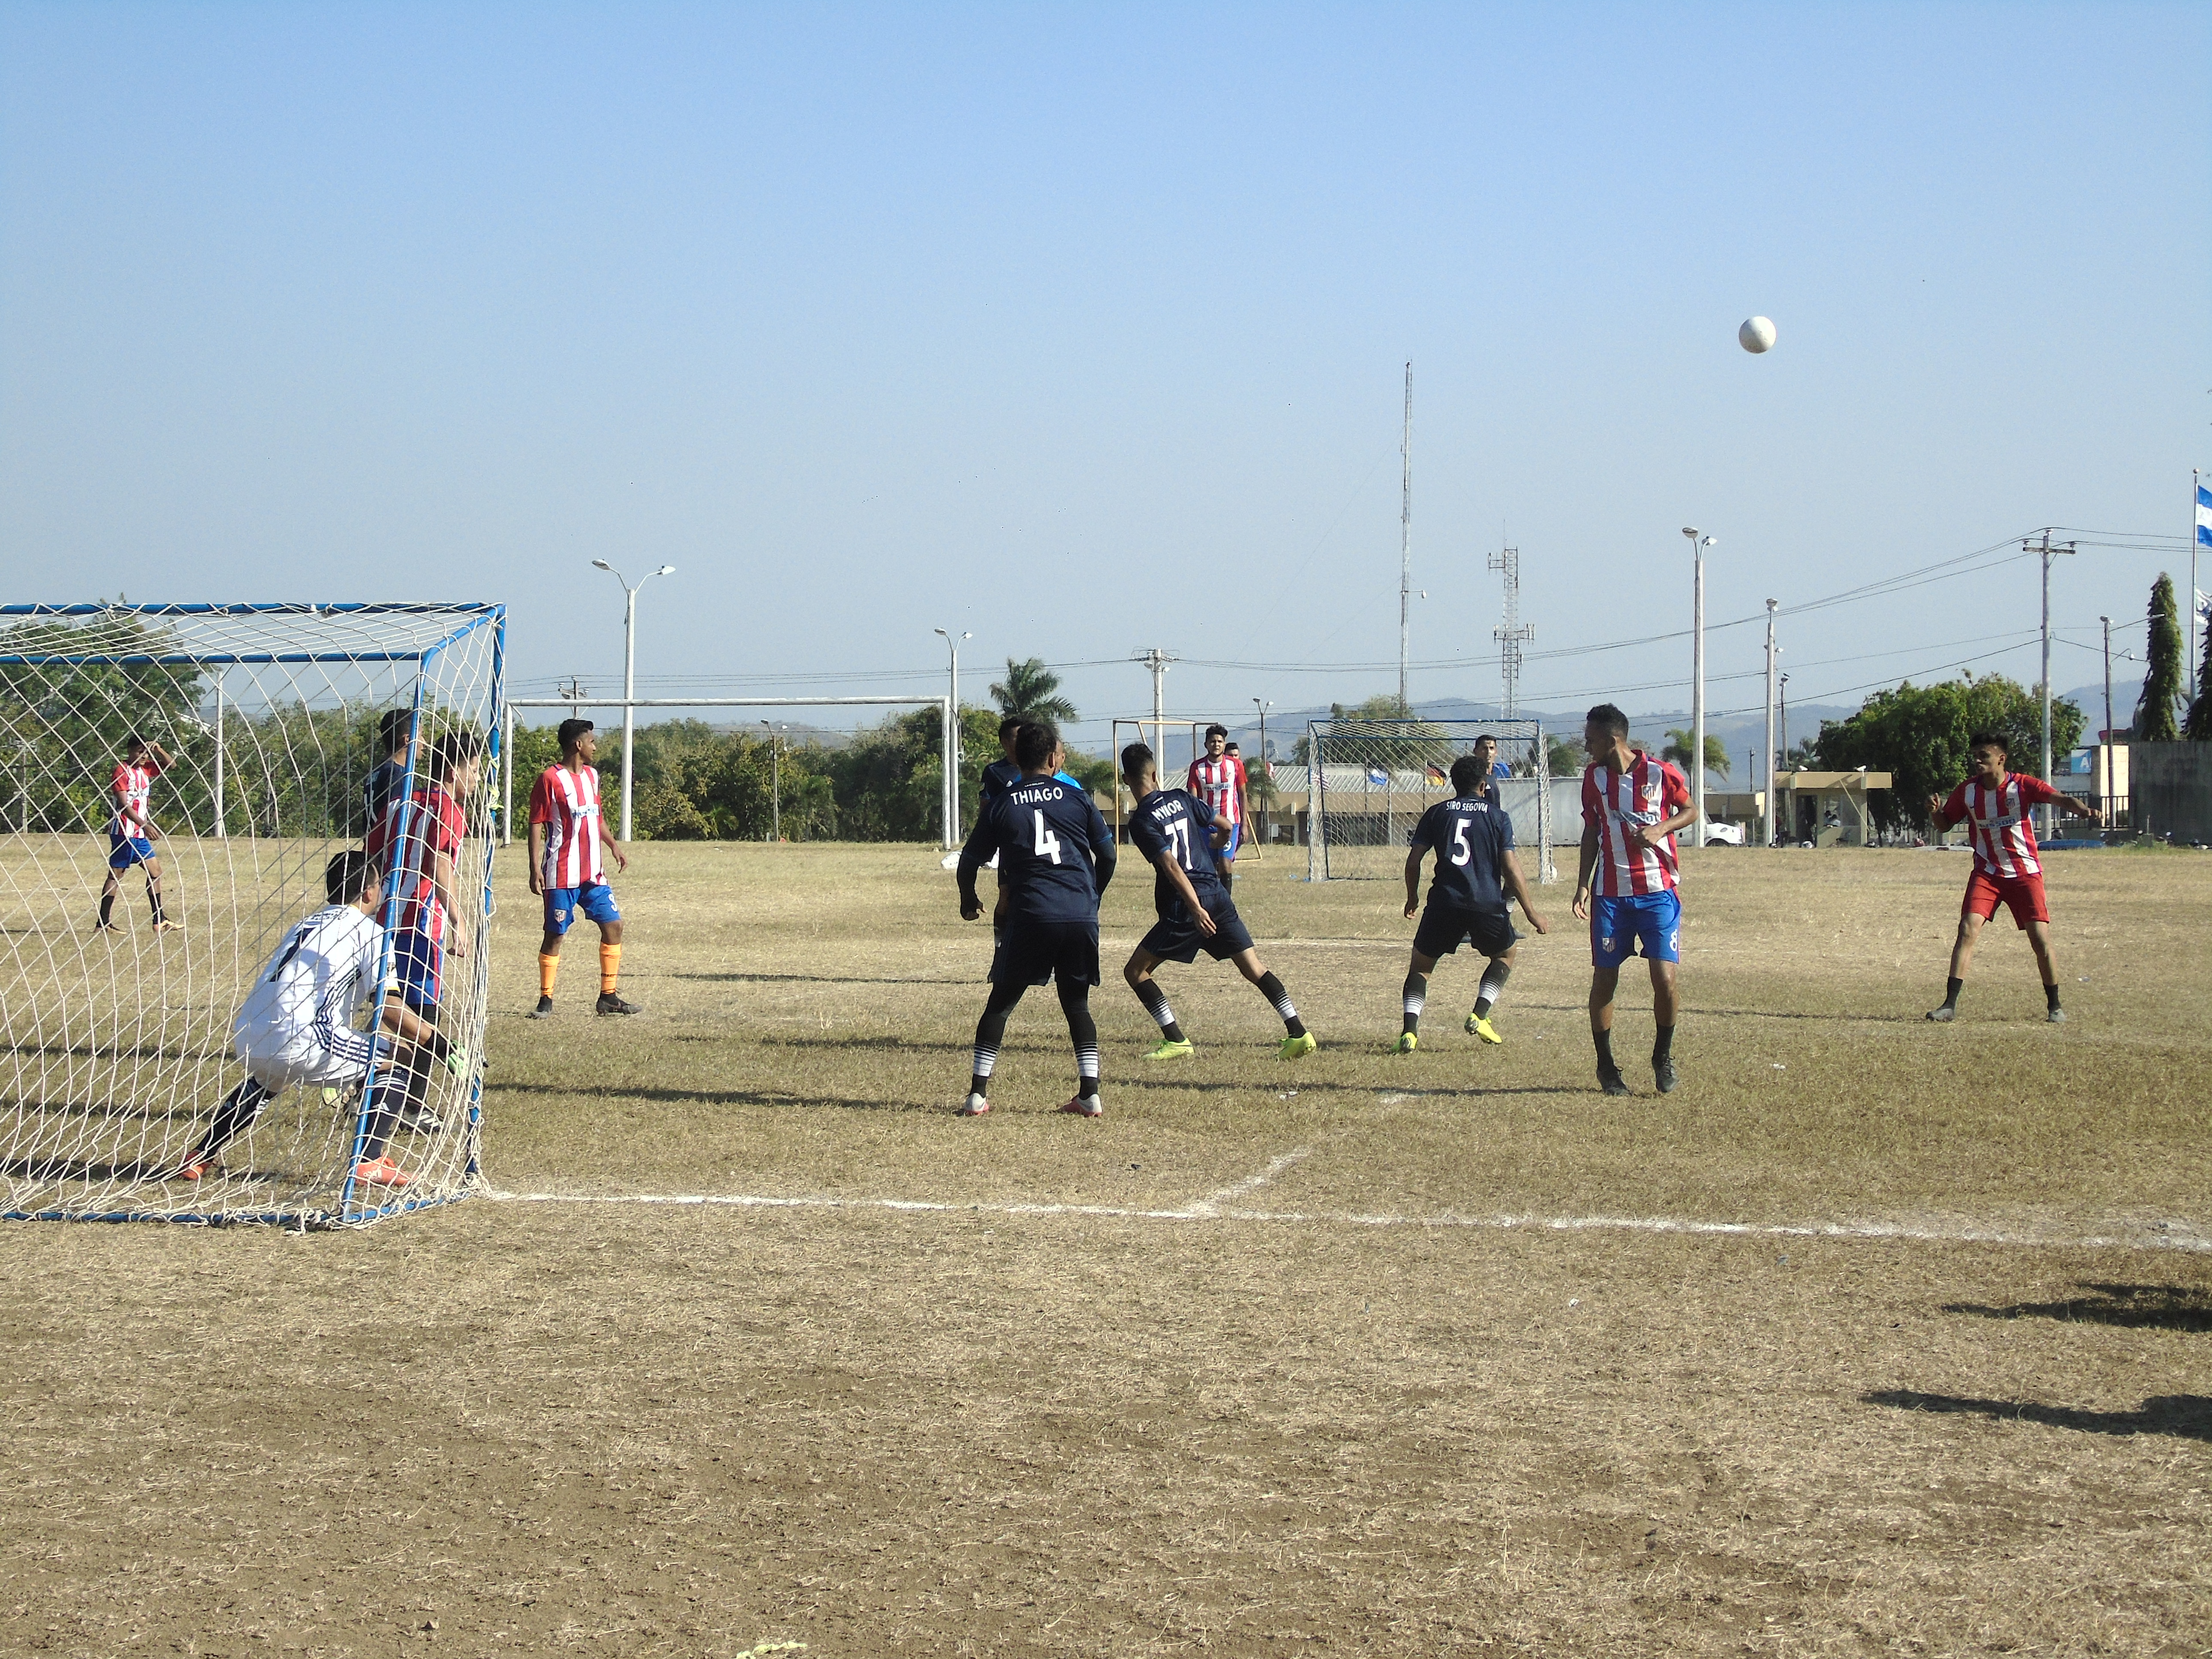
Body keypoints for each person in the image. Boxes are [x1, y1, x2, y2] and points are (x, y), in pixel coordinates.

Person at [178, 850, 453, 1188]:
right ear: (369, 892)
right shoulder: (371, 932)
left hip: (251, 1035)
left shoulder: (305, 923)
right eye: (380, 884)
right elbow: (390, 1009)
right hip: (305, 1039)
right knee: (401, 1058)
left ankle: (201, 1155)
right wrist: (441, 1045)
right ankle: (369, 1160)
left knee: (266, 1082)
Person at [954, 720, 1116, 1117]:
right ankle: (1090, 1093)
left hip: (1031, 915)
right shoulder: (1077, 798)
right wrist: (1092, 896)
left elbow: (969, 861)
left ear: (1016, 758)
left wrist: (969, 898)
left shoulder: (1004, 803)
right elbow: (1109, 856)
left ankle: (977, 1095)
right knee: (1077, 1005)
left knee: (1001, 1004)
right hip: (1079, 914)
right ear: (1051, 758)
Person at [1118, 742, 1316, 1061]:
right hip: (1218, 894)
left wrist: (1195, 908)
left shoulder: (1142, 821)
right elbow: (1225, 826)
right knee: (1254, 968)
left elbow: (1171, 865)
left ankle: (1176, 1039)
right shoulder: (1182, 798)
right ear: (1155, 774)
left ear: (1126, 779)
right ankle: (1298, 1031)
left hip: (1188, 905)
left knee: (1136, 972)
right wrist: (1214, 843)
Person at [1923, 732, 2100, 1024]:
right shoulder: (1967, 791)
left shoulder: (2023, 785)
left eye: (1985, 756)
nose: (1978, 761)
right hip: (1987, 873)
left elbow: (2059, 798)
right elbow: (1945, 825)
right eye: (1976, 756)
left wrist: (2082, 809)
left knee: (2040, 939)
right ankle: (1949, 1006)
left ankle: (2055, 1006)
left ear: (2001, 759)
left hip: (2025, 874)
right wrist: (1935, 812)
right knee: (1967, 929)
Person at [1571, 703, 1697, 1096]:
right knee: (1605, 980)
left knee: (1665, 980)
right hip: (1611, 896)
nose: (1586, 745)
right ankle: (1607, 1067)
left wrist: (1662, 828)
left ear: (1612, 740)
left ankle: (1662, 1056)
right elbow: (1592, 830)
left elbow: (1691, 811)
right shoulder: (1593, 778)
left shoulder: (1660, 773)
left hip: (1657, 894)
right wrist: (1583, 884)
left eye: (1590, 739)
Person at [365, 729, 481, 1133]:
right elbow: (438, 863)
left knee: (390, 1004)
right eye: (475, 771)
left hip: (383, 918)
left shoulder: (400, 802)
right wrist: (459, 919)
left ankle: (365, 1088)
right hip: (419, 921)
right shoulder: (448, 809)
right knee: (423, 1009)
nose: (477, 781)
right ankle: (411, 1106)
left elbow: (372, 853)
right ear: (455, 770)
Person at [1394, 753, 1548, 1053]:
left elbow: (1414, 862)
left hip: (1444, 903)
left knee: (1422, 967)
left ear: (1453, 783)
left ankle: (1410, 1031)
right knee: (1506, 955)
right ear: (1483, 785)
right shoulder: (1497, 816)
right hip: (1486, 904)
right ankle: (1480, 1014)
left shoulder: (1437, 813)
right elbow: (1511, 868)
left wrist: (1412, 897)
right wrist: (1531, 913)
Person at [526, 718, 638, 1018]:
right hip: (561, 874)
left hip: (594, 874)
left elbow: (596, 816)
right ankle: (546, 1000)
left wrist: (613, 845)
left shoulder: (592, 776)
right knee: (555, 935)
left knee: (614, 925)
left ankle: (609, 997)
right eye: (592, 741)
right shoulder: (550, 779)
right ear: (578, 745)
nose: (595, 746)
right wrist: (534, 867)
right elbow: (537, 822)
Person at [97, 736, 177, 934]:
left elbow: (172, 765)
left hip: (138, 834)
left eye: (146, 752)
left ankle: (159, 919)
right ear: (130, 751)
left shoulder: (145, 770)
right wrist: (145, 825)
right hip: (125, 832)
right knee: (116, 875)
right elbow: (124, 806)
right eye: (140, 752)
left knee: (155, 872)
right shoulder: (121, 771)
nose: (144, 756)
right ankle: (103, 923)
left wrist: (158, 749)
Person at [1187, 724, 1247, 890]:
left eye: (1220, 741)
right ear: (1206, 745)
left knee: (1225, 862)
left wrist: (1245, 826)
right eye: (1212, 741)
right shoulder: (1197, 767)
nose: (1216, 744)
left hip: (1231, 823)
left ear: (1224, 744)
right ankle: (1212, 898)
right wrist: (1195, 823)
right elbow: (1193, 798)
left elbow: (1242, 794)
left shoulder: (1235, 765)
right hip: (1207, 825)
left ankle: (1226, 902)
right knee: (1210, 866)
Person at [362, 708, 415, 835]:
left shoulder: (377, 772)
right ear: (408, 739)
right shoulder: (397, 775)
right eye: (421, 735)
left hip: (371, 849)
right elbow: (396, 823)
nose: (424, 743)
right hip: (387, 852)